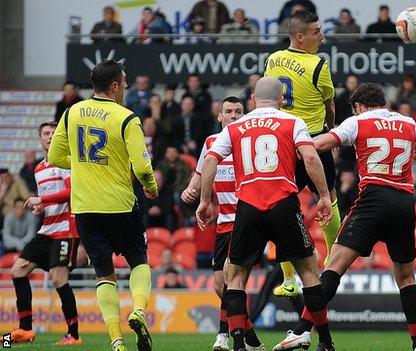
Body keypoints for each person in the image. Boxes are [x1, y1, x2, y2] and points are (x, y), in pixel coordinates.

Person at [276, 83, 416, 351]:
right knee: (407, 278)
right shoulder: (407, 122)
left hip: (373, 200)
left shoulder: (358, 121)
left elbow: (323, 143)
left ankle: (302, 330)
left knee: (334, 266)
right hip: (405, 202)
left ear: (358, 106)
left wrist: (294, 145)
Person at [196, 77, 334, 351]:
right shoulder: (292, 122)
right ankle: (326, 342)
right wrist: (325, 196)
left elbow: (210, 158)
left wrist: (204, 200)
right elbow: (309, 156)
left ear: (253, 101)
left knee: (235, 276)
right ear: (282, 100)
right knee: (308, 271)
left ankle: (236, 344)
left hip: (247, 206)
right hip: (284, 203)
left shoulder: (235, 128)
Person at [48, 59, 158, 351]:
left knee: (103, 273)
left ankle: (116, 340)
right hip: (119, 204)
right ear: (113, 86)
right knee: (138, 260)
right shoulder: (126, 118)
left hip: (84, 207)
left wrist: (84, 167)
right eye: (123, 82)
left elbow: (55, 157)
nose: (125, 86)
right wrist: (151, 187)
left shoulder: (71, 113)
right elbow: (143, 167)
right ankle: (138, 310)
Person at [264, 10, 342, 299]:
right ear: (299, 36)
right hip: (311, 140)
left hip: (283, 141)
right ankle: (335, 259)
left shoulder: (272, 59)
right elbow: (330, 104)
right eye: (316, 31)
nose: (321, 35)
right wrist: (330, 131)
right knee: (329, 197)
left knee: (280, 205)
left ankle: (288, 279)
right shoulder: (319, 65)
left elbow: (268, 97)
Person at [181, 96, 263, 351]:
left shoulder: (248, 140)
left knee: (231, 277)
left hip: (245, 220)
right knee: (221, 286)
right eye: (228, 111)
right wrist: (190, 190)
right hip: (223, 222)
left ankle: (224, 334)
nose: (234, 116)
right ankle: (249, 335)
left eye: (239, 111)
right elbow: (201, 173)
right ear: (220, 116)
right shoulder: (211, 143)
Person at [9, 122, 82, 345]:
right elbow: (50, 198)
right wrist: (41, 207)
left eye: (54, 133)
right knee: (17, 270)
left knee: (58, 277)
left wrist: (41, 200)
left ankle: (74, 335)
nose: (50, 136)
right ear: (39, 140)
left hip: (66, 231)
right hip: (47, 229)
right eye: (46, 134)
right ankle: (25, 330)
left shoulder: (66, 161)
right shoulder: (39, 169)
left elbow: (72, 192)